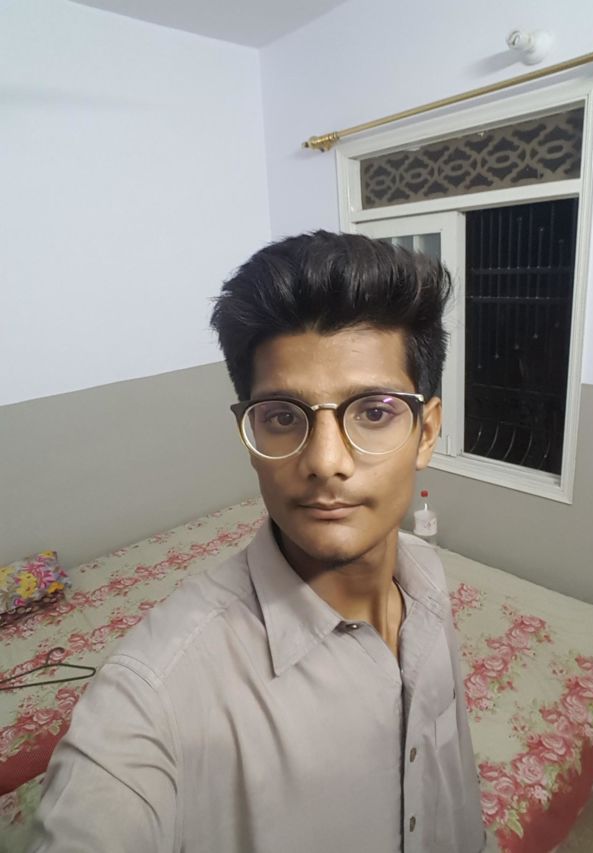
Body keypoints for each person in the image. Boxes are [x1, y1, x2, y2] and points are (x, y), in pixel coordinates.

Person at [30, 231, 485, 852]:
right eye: (281, 417)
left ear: (427, 432)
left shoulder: (428, 578)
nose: (325, 462)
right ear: (248, 436)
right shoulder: (153, 699)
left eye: (374, 412)